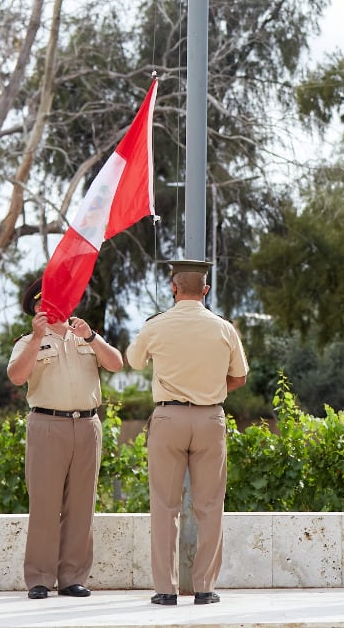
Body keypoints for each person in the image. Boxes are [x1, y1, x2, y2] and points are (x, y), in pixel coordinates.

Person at [127, 259, 249, 607]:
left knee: (164, 508)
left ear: (173, 288)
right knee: (210, 507)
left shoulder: (156, 326)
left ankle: (166, 590)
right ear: (206, 290)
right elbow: (239, 377)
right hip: (210, 419)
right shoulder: (224, 328)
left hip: (168, 419)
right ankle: (205, 588)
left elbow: (134, 361)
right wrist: (211, 390)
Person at [7, 275, 124, 600]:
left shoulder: (85, 336)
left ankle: (73, 577)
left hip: (87, 426)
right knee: (44, 504)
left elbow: (116, 363)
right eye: (48, 303)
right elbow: (16, 376)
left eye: (61, 299)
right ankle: (40, 579)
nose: (57, 306)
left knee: (82, 504)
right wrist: (36, 339)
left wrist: (93, 337)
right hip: (47, 425)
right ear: (37, 309)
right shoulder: (27, 341)